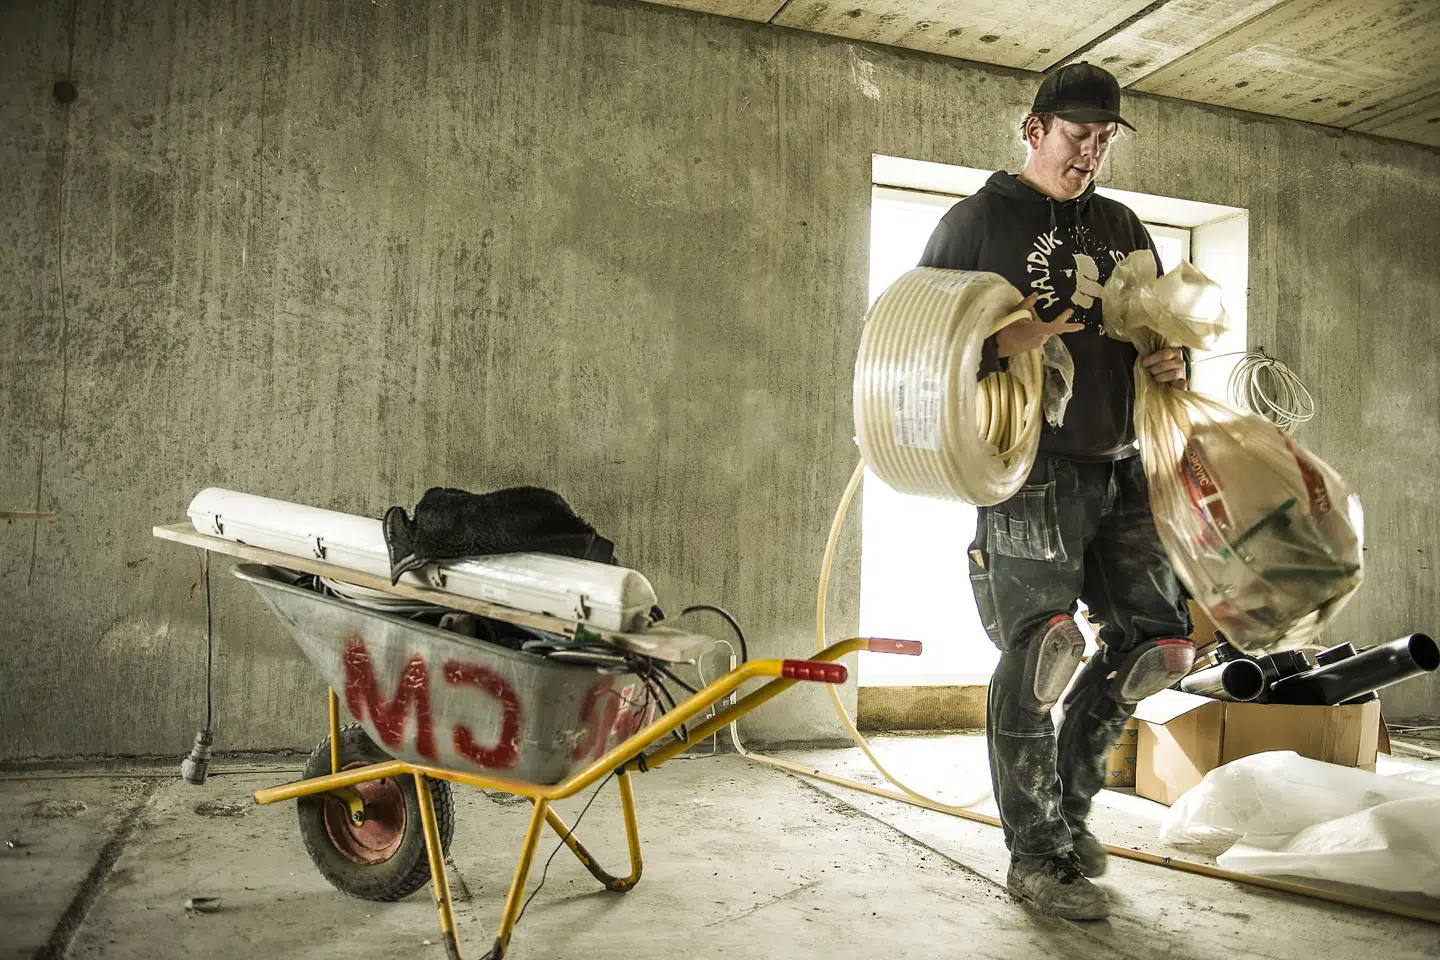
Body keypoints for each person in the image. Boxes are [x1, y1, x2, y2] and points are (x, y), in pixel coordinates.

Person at [918, 62, 1193, 921]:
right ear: (1033, 129)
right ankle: (1034, 855)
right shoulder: (976, 222)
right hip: (1032, 467)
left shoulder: (1119, 223)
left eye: (1104, 139)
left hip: (1124, 460)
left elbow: (1159, 324)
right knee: (1041, 653)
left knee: (1160, 647)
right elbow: (915, 345)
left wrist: (1172, 359)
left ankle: (1068, 819)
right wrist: (1008, 343)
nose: (1090, 153)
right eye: (1078, 136)